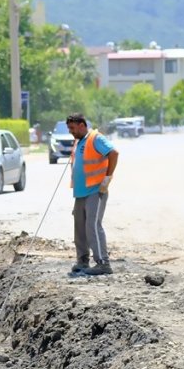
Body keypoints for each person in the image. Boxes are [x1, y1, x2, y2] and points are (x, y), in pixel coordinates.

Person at [66, 113, 119, 276]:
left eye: (73, 128)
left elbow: (114, 153)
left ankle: (103, 263)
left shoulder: (95, 138)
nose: (71, 132)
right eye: (69, 129)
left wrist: (107, 178)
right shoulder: (79, 141)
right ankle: (82, 261)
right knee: (80, 227)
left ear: (82, 125)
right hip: (80, 193)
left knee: (93, 225)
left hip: (96, 191)